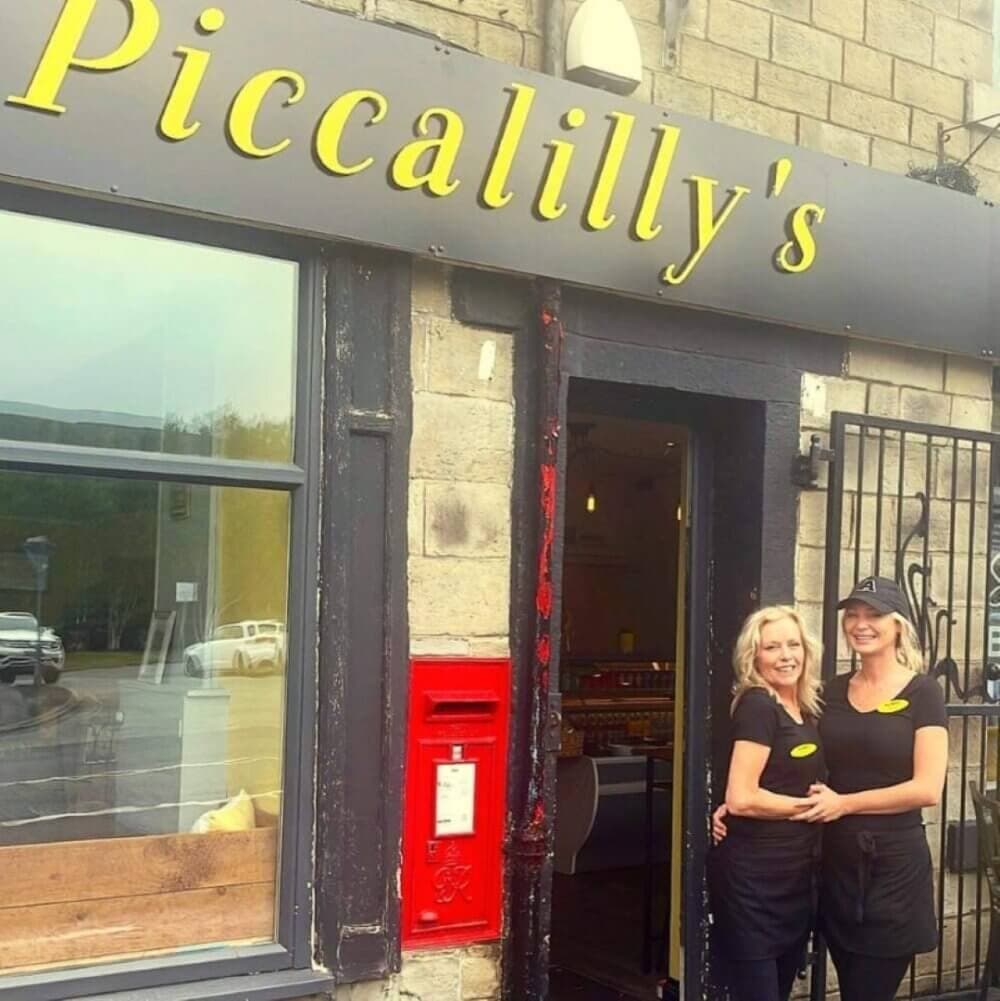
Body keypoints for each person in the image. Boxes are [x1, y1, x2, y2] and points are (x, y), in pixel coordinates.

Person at [795, 576, 947, 1001]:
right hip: (836, 864)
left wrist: (844, 804)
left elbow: (927, 788)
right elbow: (794, 758)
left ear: (898, 625)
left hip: (894, 867)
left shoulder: (924, 692)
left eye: (874, 614)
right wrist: (740, 805)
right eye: (853, 615)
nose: (861, 624)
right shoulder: (829, 692)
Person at [709, 605, 825, 1001]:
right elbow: (741, 797)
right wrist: (811, 808)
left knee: (780, 987)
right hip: (753, 883)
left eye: (793, 644)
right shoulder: (759, 705)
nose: (785, 655)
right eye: (772, 647)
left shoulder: (805, 708)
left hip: (793, 878)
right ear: (754, 656)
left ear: (807, 651)